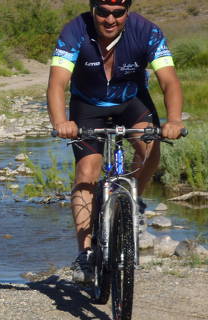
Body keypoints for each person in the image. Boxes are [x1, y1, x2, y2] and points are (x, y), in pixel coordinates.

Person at [47, 0, 185, 283]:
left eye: (118, 13)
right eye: (103, 12)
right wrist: (61, 122)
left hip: (131, 102)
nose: (110, 19)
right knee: (87, 171)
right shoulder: (74, 31)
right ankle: (85, 255)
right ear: (93, 9)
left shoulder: (147, 32)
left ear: (127, 12)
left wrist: (174, 120)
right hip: (88, 106)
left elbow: (169, 81)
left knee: (150, 149)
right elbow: (57, 83)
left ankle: (135, 203)